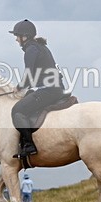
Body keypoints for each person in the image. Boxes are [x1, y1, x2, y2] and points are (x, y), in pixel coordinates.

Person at [9, 19, 65, 159]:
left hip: (48, 90)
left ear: (25, 36)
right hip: (54, 87)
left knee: (17, 110)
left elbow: (29, 73)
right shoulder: (40, 46)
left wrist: (19, 87)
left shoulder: (31, 49)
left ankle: (29, 145)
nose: (16, 39)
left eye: (18, 36)